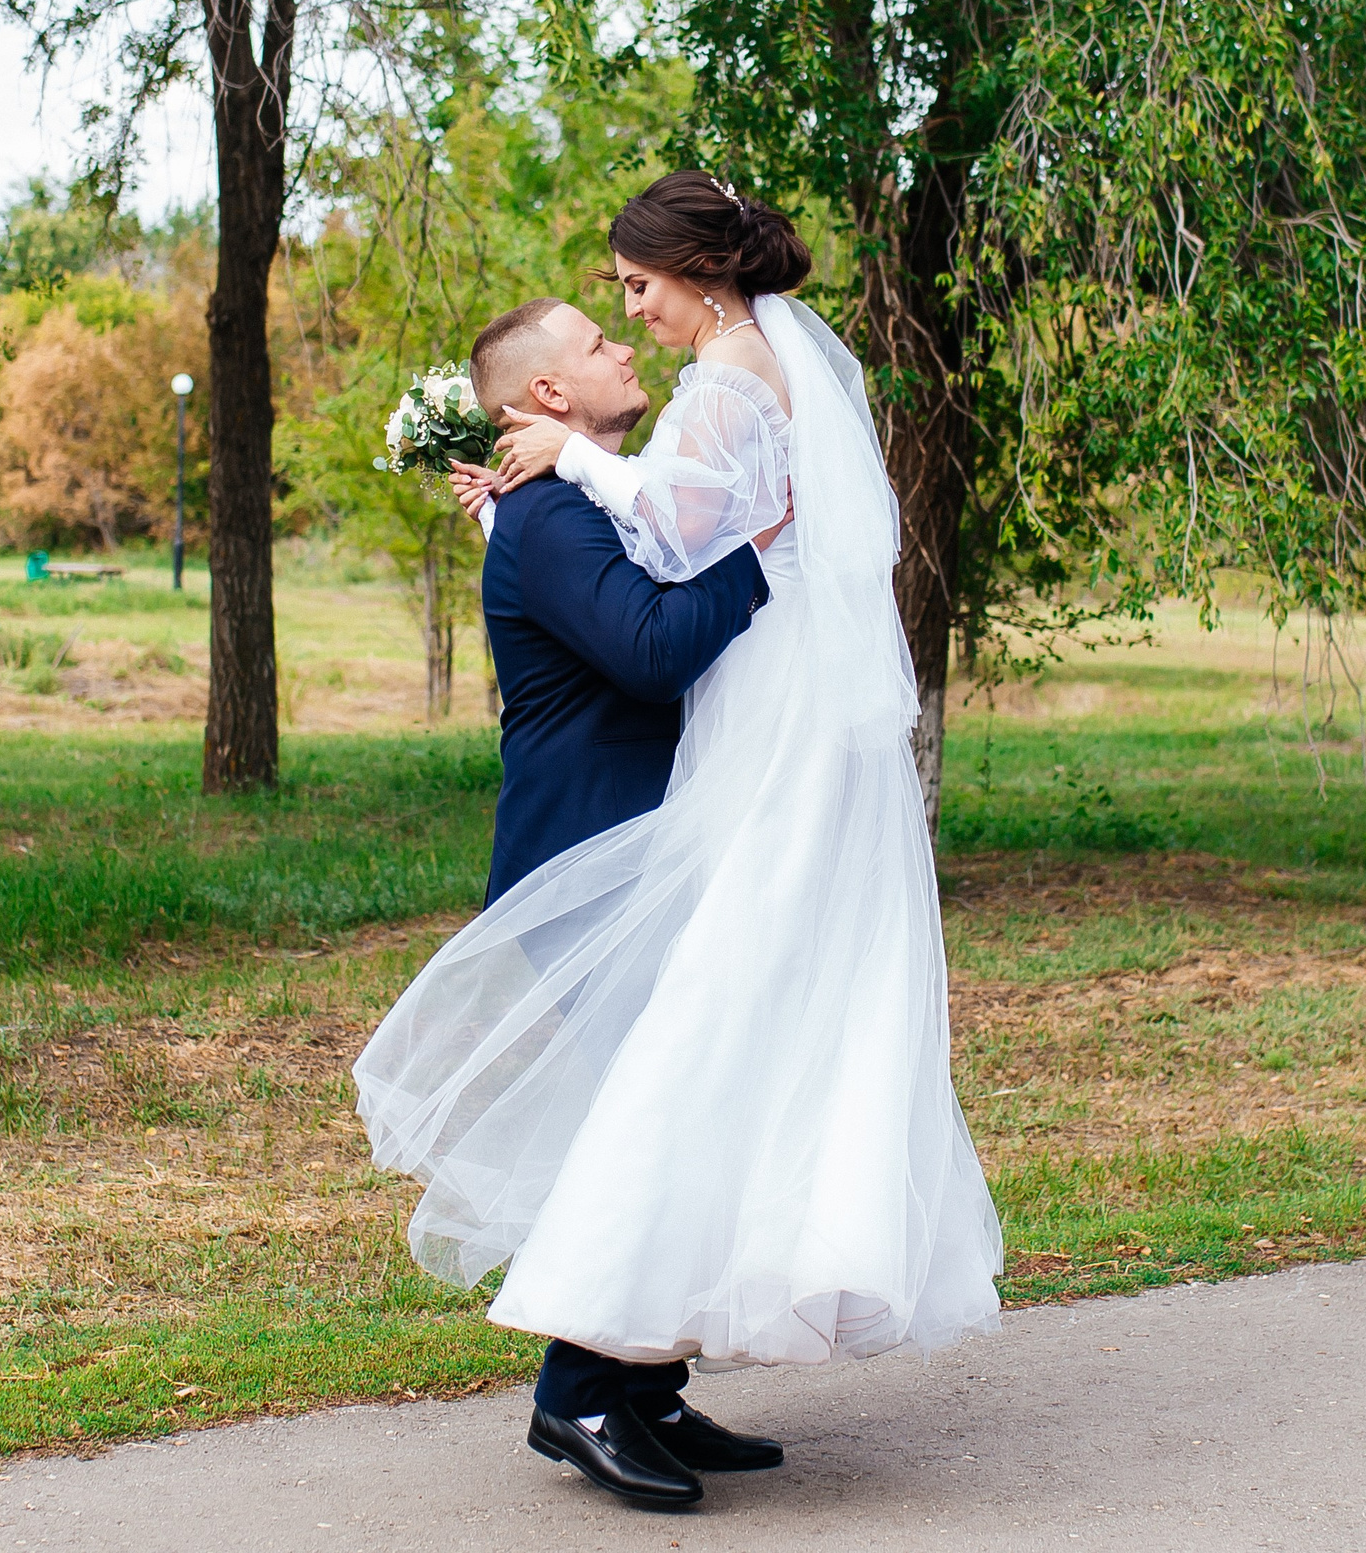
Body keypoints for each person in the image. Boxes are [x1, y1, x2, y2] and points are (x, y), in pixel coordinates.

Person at [354, 172, 1003, 1513]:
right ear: (540, 398)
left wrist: (584, 471)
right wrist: (556, 496)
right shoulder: (686, 409)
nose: (623, 317)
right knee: (700, 1058)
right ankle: (590, 1388)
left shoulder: (709, 388)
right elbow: (658, 608)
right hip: (637, 807)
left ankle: (631, 1382)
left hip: (742, 756)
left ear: (695, 274)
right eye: (601, 321)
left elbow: (678, 530)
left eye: (630, 291)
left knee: (721, 1056)